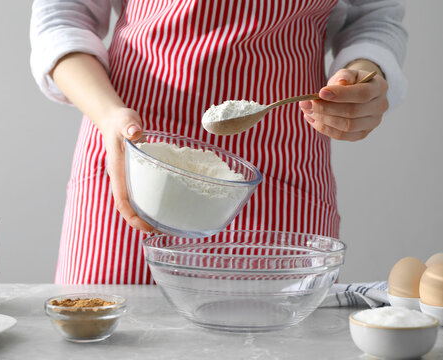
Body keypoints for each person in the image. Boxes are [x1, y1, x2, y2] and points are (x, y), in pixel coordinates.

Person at [30, 0, 407, 284]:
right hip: (134, 155)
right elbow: (63, 14)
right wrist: (109, 115)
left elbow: (371, 16)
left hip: (280, 163)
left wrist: (365, 75)